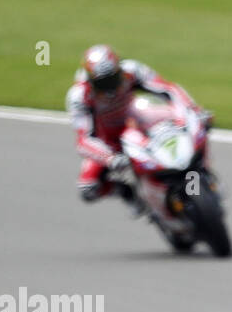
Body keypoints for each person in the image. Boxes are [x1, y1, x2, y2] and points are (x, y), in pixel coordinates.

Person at [65, 44, 209, 210]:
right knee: (88, 188)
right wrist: (110, 158)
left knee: (195, 122)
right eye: (102, 83)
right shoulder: (79, 96)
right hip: (108, 140)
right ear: (90, 79)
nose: (110, 89)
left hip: (138, 118)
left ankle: (203, 172)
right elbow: (83, 140)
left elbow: (168, 89)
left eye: (112, 79)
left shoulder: (132, 70)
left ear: (119, 69)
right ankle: (128, 193)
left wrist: (193, 109)